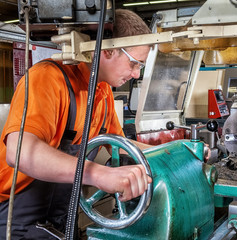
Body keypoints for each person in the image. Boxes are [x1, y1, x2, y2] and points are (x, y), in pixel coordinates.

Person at [0, 9, 152, 239]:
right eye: (134, 63)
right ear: (108, 49)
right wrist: (98, 174)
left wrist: (176, 153)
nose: (135, 74)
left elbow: (121, 147)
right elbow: (20, 153)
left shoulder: (102, 92)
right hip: (15, 218)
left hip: (57, 217)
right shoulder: (46, 78)